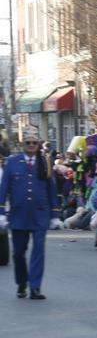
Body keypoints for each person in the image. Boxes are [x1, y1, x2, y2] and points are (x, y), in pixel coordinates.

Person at [0, 127, 61, 299]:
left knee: (39, 250)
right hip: (19, 215)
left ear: (38, 143)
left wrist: (55, 215)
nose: (32, 145)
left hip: (40, 214)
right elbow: (3, 189)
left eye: (35, 142)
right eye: (28, 142)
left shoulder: (45, 162)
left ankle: (35, 287)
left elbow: (51, 189)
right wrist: (2, 213)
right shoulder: (12, 162)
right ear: (22, 144)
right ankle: (21, 282)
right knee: (18, 252)